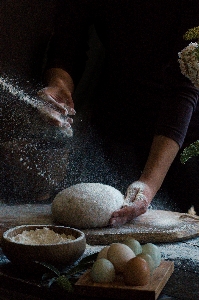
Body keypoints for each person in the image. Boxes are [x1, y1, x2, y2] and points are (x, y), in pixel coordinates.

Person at [38, 0, 199, 226]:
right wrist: (59, 85)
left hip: (182, 135)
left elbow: (185, 85)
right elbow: (67, 44)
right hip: (116, 121)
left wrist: (148, 185)